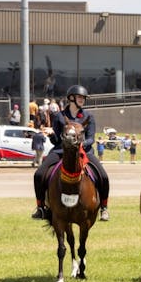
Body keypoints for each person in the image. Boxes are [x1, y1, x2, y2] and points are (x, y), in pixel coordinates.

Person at [31, 84, 112, 221]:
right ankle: (40, 208)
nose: (82, 100)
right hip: (60, 151)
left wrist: (78, 145)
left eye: (83, 98)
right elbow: (57, 140)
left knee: (103, 177)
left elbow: (91, 138)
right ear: (71, 98)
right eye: (80, 97)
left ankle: (104, 208)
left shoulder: (88, 117)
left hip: (84, 152)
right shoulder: (59, 116)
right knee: (39, 174)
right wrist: (51, 134)